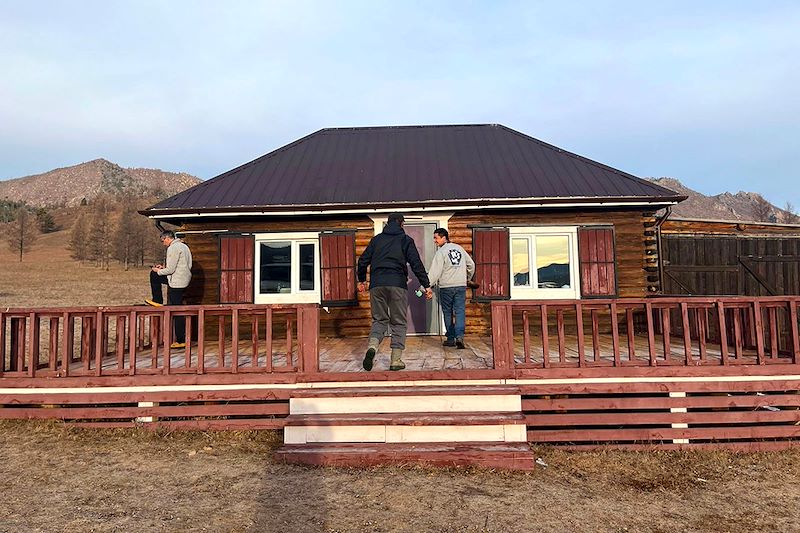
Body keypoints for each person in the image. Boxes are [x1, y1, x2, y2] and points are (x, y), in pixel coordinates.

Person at [357, 213, 432, 371]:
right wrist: (426, 285)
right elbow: (416, 264)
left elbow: (363, 260)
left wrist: (362, 280)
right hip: (397, 284)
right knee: (398, 322)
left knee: (379, 320)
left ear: (387, 223)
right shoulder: (405, 240)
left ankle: (372, 348)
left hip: (377, 285)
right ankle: (395, 360)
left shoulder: (376, 240)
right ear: (401, 224)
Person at [428, 228, 475, 349]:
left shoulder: (441, 252)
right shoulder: (459, 248)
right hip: (460, 286)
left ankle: (450, 339)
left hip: (446, 287)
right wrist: (467, 277)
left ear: (444, 237)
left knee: (447, 312)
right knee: (460, 311)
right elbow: (471, 264)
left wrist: (426, 286)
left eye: (436, 238)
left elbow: (434, 273)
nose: (434, 241)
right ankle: (459, 337)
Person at [145, 230, 193, 349]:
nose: (163, 244)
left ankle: (181, 340)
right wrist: (164, 269)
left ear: (167, 238)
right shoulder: (184, 246)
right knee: (178, 308)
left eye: (163, 241)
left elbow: (171, 270)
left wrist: (159, 270)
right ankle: (157, 300)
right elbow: (182, 266)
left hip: (177, 282)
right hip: (184, 279)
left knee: (176, 310)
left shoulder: (173, 248)